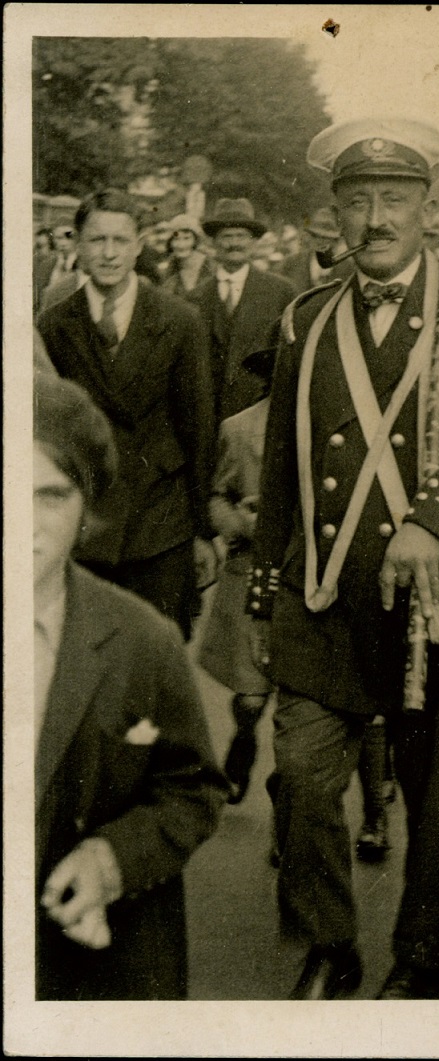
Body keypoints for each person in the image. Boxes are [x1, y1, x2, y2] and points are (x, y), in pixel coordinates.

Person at [246, 117, 439, 1000]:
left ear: (428, 208)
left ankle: (426, 957)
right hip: (324, 596)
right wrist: (266, 591)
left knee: (437, 798)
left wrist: (434, 519)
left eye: (394, 199)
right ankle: (327, 943)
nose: (376, 218)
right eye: (358, 200)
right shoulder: (303, 318)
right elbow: (279, 471)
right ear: (335, 211)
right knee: (300, 781)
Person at [33, 372, 225, 1000]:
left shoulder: (142, 642)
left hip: (90, 975)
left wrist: (112, 860)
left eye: (51, 496)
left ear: (88, 507)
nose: (23, 523)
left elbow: (191, 787)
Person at [38, 188, 216, 640]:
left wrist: (201, 530)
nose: (109, 253)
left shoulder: (179, 320)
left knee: (157, 657)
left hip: (161, 523)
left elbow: (197, 429)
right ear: (77, 245)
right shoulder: (56, 324)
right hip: (88, 527)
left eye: (121, 241)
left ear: (139, 246)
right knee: (88, 661)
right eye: (97, 241)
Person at [199, 346, 276, 805]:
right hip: (254, 571)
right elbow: (214, 498)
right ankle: (244, 737)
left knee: (304, 709)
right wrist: (243, 525)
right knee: (251, 698)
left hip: (316, 575)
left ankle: (288, 817)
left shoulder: (337, 427)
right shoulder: (240, 428)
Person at [190, 198, 296, 425]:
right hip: (205, 417)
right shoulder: (194, 298)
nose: (234, 244)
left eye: (241, 236)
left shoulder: (281, 292)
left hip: (260, 415)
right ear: (214, 243)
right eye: (227, 236)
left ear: (254, 242)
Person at [280, 207, 354, 293]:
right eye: (315, 236)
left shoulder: (349, 268)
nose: (320, 241)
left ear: (335, 240)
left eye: (326, 237)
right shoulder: (292, 263)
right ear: (309, 237)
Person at [162, 213, 215, 297]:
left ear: (195, 240)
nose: (181, 245)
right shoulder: (170, 269)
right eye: (176, 239)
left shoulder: (211, 265)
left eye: (187, 238)